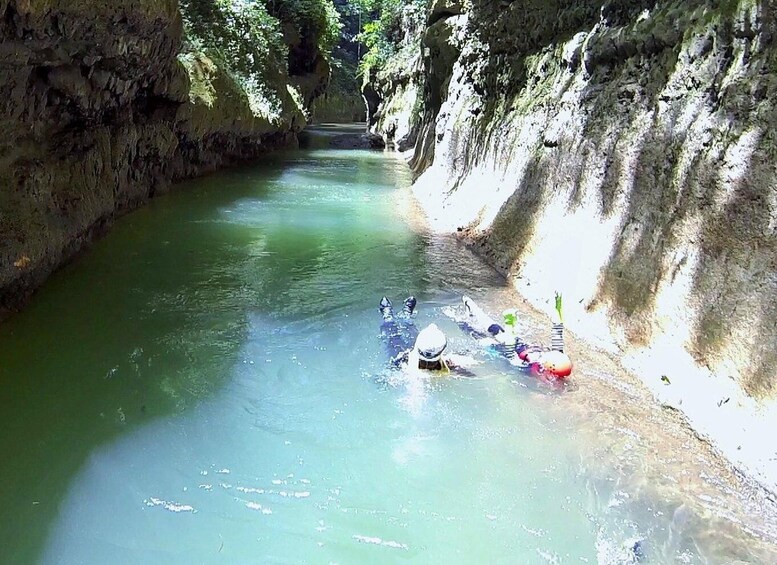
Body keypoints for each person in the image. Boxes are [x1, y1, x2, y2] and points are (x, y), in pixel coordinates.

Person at [452, 293, 573, 378]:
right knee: (483, 334)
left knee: (487, 332)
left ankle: (467, 312)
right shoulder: (534, 366)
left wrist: (558, 308)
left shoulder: (538, 363)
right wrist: (558, 307)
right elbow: (509, 354)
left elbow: (557, 331)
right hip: (510, 347)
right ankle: (463, 314)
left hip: (513, 346)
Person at [378, 297, 476, 375]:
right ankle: (400, 316)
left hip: (408, 358)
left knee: (394, 337)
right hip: (410, 357)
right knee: (404, 335)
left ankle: (392, 317)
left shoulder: (405, 365)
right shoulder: (449, 364)